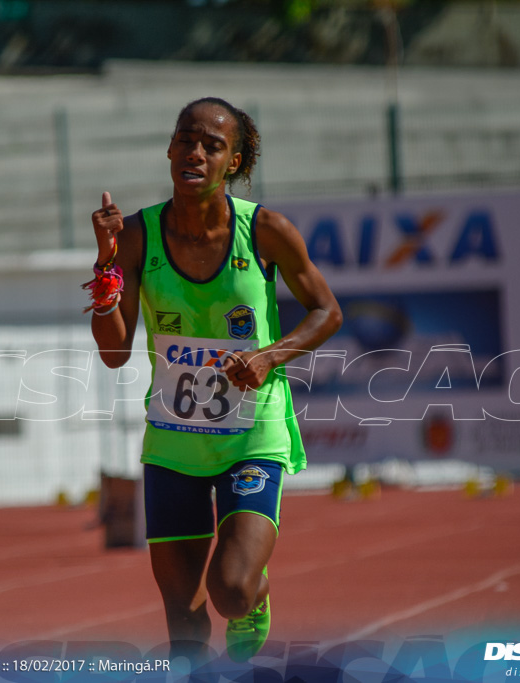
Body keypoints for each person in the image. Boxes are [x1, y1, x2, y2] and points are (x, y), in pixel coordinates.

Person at [86, 97, 342, 664]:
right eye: (185, 139)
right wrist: (106, 266)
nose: (194, 152)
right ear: (170, 149)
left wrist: (270, 358)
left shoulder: (266, 231)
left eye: (212, 144)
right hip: (174, 441)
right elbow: (113, 353)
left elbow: (328, 312)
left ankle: (255, 596)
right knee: (183, 626)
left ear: (236, 161)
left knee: (230, 589)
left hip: (252, 434)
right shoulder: (135, 236)